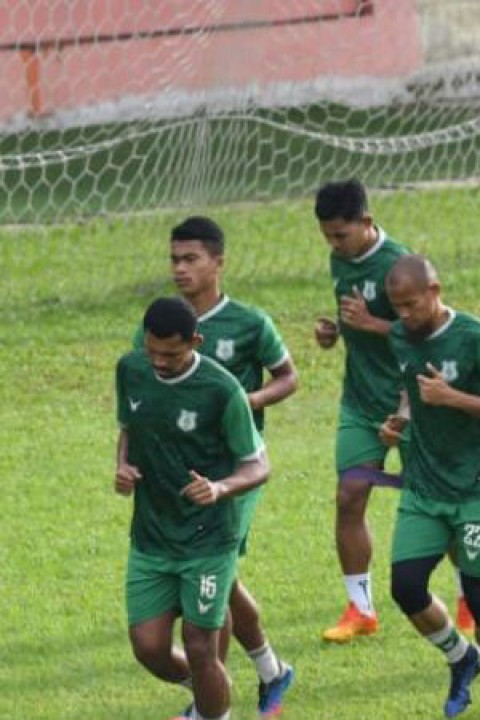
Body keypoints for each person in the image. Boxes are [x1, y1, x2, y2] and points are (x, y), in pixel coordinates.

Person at [137, 217, 298, 716]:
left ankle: (212, 701)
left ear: (218, 262)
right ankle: (269, 671)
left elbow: (288, 378)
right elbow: (141, 386)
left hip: (234, 473)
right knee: (220, 577)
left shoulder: (249, 323)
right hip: (177, 476)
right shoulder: (163, 323)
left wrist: (244, 400)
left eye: (190, 259)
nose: (180, 269)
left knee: (212, 571)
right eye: (174, 260)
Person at [381, 255, 480, 720]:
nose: (404, 315)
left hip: (477, 488)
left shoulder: (475, 338)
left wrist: (451, 398)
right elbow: (411, 384)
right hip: (425, 485)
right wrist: (401, 419)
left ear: (435, 289)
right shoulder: (402, 336)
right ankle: (462, 658)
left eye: (411, 304)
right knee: (406, 586)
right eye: (396, 306)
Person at [115, 297, 270, 720]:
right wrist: (122, 467)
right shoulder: (130, 369)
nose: (160, 362)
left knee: (202, 645)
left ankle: (212, 707)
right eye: (153, 351)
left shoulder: (221, 390)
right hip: (151, 535)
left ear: (195, 342)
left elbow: (258, 464)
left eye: (172, 353)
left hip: (208, 538)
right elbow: (129, 428)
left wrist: (220, 488)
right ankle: (212, 692)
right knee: (148, 648)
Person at [314, 179, 412, 642]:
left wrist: (371, 324)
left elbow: (430, 332)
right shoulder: (341, 259)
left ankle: (469, 596)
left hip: (414, 403)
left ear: (367, 223)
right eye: (328, 235)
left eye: (341, 235)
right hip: (360, 401)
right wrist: (337, 331)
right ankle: (361, 609)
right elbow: (357, 319)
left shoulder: (400, 265)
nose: (334, 245)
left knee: (437, 504)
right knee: (350, 497)